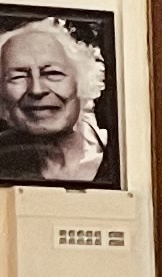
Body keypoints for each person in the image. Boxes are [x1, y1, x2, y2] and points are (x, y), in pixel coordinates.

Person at [0, 15, 115, 186]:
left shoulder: (126, 159)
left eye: (53, 73)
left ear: (83, 82)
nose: (36, 90)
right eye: (18, 76)